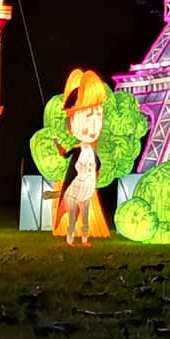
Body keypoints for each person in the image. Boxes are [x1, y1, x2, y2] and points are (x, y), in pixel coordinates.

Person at [56, 69, 110, 247]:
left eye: (98, 116)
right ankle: (71, 239)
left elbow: (98, 166)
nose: (94, 125)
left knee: (85, 213)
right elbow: (65, 154)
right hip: (75, 187)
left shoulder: (91, 152)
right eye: (88, 117)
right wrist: (58, 145)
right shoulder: (77, 150)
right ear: (71, 122)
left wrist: (96, 176)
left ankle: (85, 240)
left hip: (86, 188)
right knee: (74, 215)